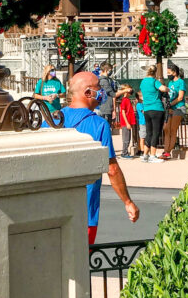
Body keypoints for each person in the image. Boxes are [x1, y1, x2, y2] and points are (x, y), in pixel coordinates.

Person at [59, 71, 139, 244]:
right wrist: (127, 202)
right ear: (88, 92)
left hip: (53, 208)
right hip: (85, 210)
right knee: (80, 263)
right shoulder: (99, 125)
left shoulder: (52, 119)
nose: (102, 92)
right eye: (99, 88)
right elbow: (112, 169)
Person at [139, 66, 167, 162]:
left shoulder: (143, 82)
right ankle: (153, 155)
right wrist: (168, 89)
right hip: (156, 108)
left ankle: (145, 155)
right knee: (156, 133)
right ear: (155, 72)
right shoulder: (154, 81)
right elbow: (162, 88)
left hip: (147, 109)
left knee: (149, 132)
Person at [160, 62, 186, 160]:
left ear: (174, 73)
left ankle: (167, 151)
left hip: (178, 108)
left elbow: (180, 97)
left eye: (169, 72)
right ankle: (166, 150)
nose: (168, 75)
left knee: (172, 129)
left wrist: (170, 104)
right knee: (166, 129)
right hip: (170, 108)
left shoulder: (181, 82)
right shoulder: (170, 83)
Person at [117, 85, 136, 158]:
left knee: (128, 138)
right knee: (126, 139)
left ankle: (125, 152)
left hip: (128, 122)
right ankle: (124, 153)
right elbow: (123, 112)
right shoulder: (124, 100)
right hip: (126, 123)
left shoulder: (127, 100)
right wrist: (127, 123)